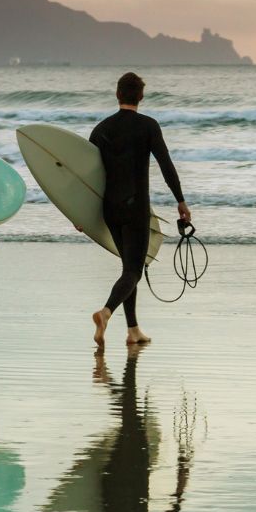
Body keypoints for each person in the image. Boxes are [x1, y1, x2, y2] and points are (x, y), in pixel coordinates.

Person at [88, 72, 190, 346]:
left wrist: (82, 214)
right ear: (141, 96)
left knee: (128, 268)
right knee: (134, 269)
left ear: (117, 94)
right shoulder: (148, 126)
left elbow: (87, 176)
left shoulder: (101, 129)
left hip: (110, 208)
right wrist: (180, 200)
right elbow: (166, 165)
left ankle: (133, 330)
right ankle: (106, 312)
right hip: (136, 208)